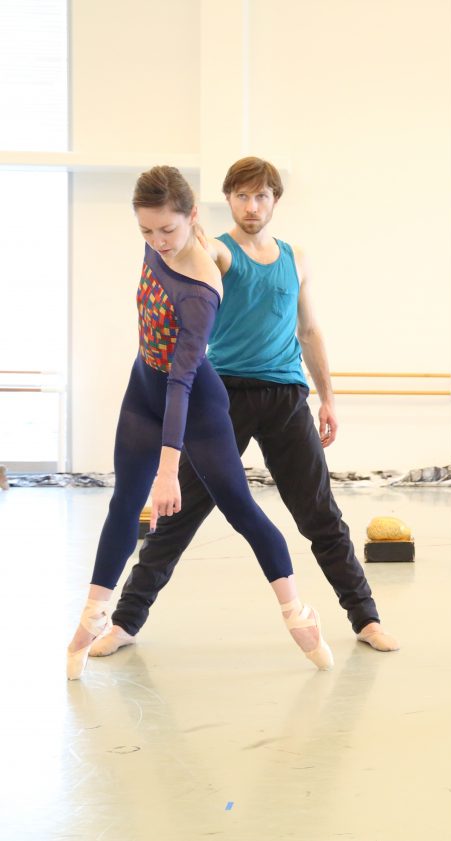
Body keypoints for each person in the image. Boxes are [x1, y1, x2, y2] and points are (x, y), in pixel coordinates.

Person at [89, 157, 398, 660]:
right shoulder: (216, 251)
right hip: (222, 398)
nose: (251, 206)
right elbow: (190, 245)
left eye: (261, 196)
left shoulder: (296, 257)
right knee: (177, 516)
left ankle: (365, 617)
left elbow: (310, 329)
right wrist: (178, 229)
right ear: (226, 200)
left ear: (275, 200)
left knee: (320, 514)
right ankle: (125, 621)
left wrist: (329, 398)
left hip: (286, 398)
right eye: (241, 196)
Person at [67, 165, 330, 680]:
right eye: (146, 231)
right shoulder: (158, 240)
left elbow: (182, 381)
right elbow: (157, 360)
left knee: (241, 510)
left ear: (191, 219)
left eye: (167, 230)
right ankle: (94, 614)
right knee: (124, 502)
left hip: (197, 403)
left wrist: (169, 471)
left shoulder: (201, 291)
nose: (157, 242)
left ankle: (296, 611)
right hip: (142, 389)